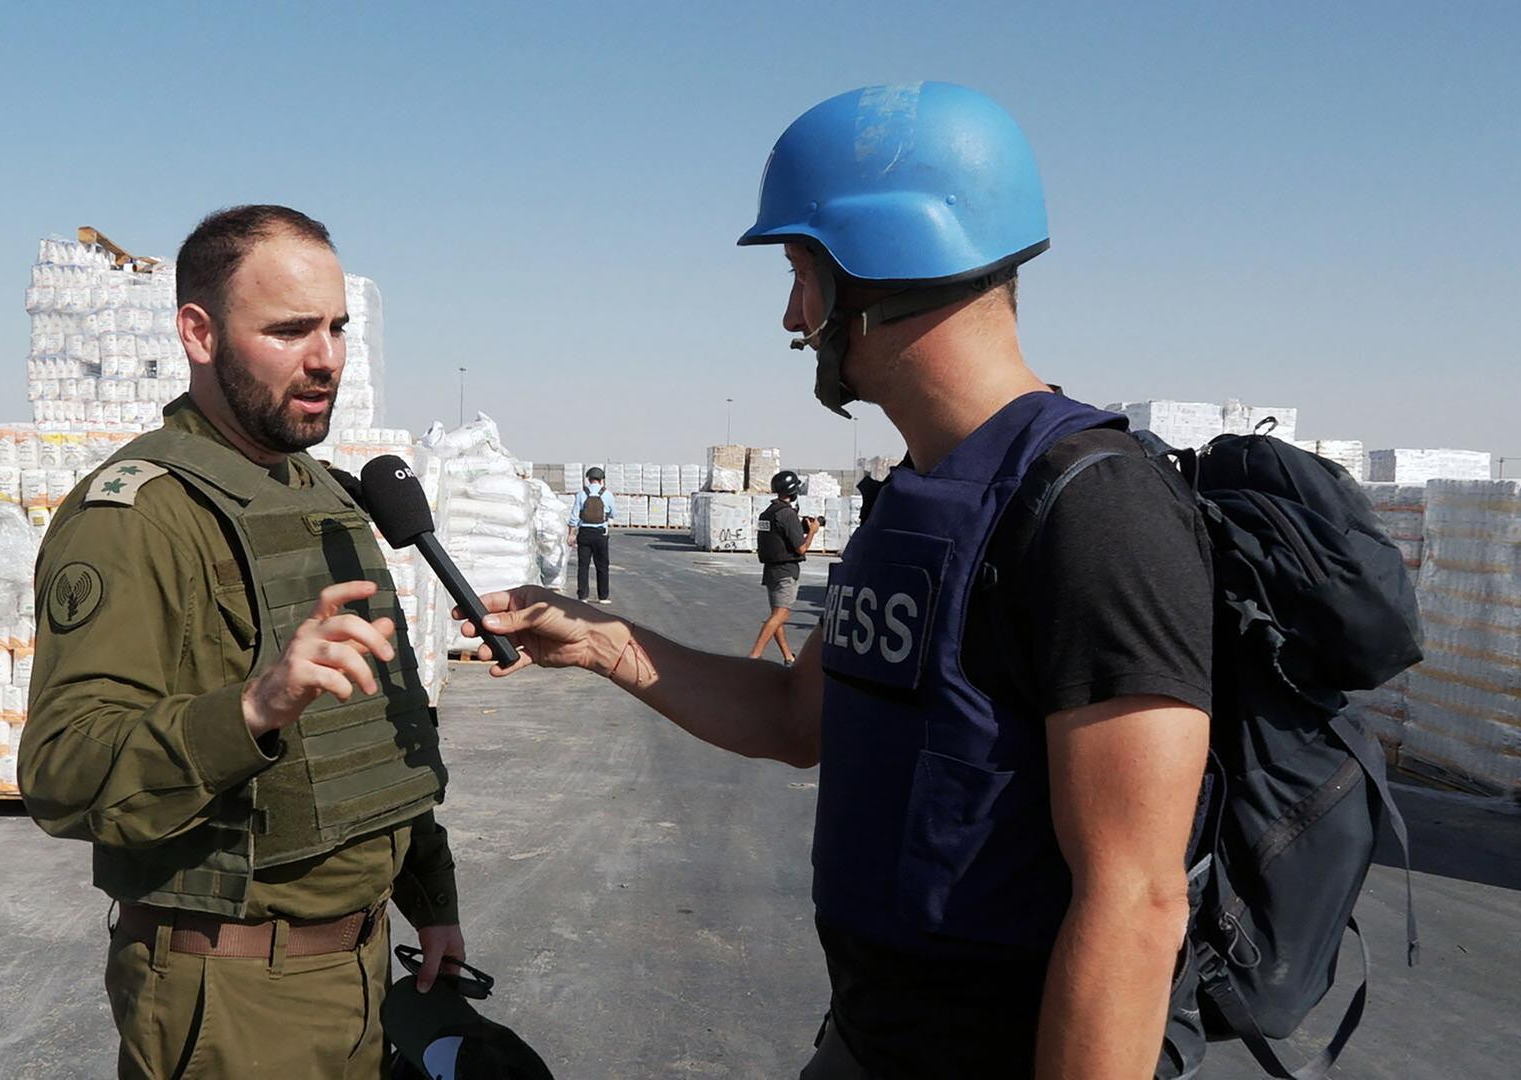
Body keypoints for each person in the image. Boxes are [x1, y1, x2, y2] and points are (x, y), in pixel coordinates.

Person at [462, 84, 1212, 1079]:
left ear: (884, 267)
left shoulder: (1096, 510)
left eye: (801, 274)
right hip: (870, 1036)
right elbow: (792, 719)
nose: (791, 317)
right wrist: (604, 641)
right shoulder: (915, 495)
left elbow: (1137, 900)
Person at [20, 204, 467, 1080]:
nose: (326, 357)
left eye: (337, 328)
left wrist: (430, 901)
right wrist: (255, 708)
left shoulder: (323, 496)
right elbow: (61, 774)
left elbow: (378, 743)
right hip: (232, 994)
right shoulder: (138, 518)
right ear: (198, 332)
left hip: (363, 972)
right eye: (290, 329)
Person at [749, 469, 820, 663]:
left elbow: (778, 535)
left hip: (770, 570)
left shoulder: (768, 513)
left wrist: (800, 526)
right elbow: (801, 548)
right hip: (786, 571)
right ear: (793, 490)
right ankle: (754, 656)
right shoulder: (787, 514)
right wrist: (812, 531)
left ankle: (788, 656)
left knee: (777, 616)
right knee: (781, 615)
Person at [568, 466, 615, 604]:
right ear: (601, 480)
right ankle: (603, 596)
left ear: (588, 479)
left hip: (584, 533)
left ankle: (583, 596)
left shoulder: (581, 494)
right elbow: (613, 513)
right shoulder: (608, 494)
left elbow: (574, 517)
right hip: (601, 534)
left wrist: (571, 534)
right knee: (602, 565)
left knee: (583, 565)